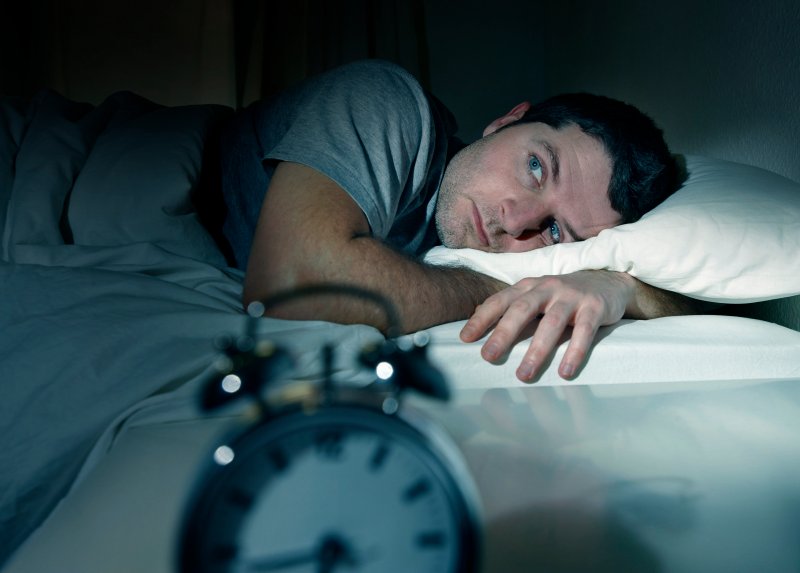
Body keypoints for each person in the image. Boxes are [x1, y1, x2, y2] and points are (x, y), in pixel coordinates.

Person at [220, 59, 698, 382]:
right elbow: (289, 283)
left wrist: (619, 287)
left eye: (554, 231)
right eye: (535, 167)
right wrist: (497, 284)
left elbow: (699, 300)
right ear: (507, 121)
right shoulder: (386, 100)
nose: (515, 221)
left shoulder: (520, 243)